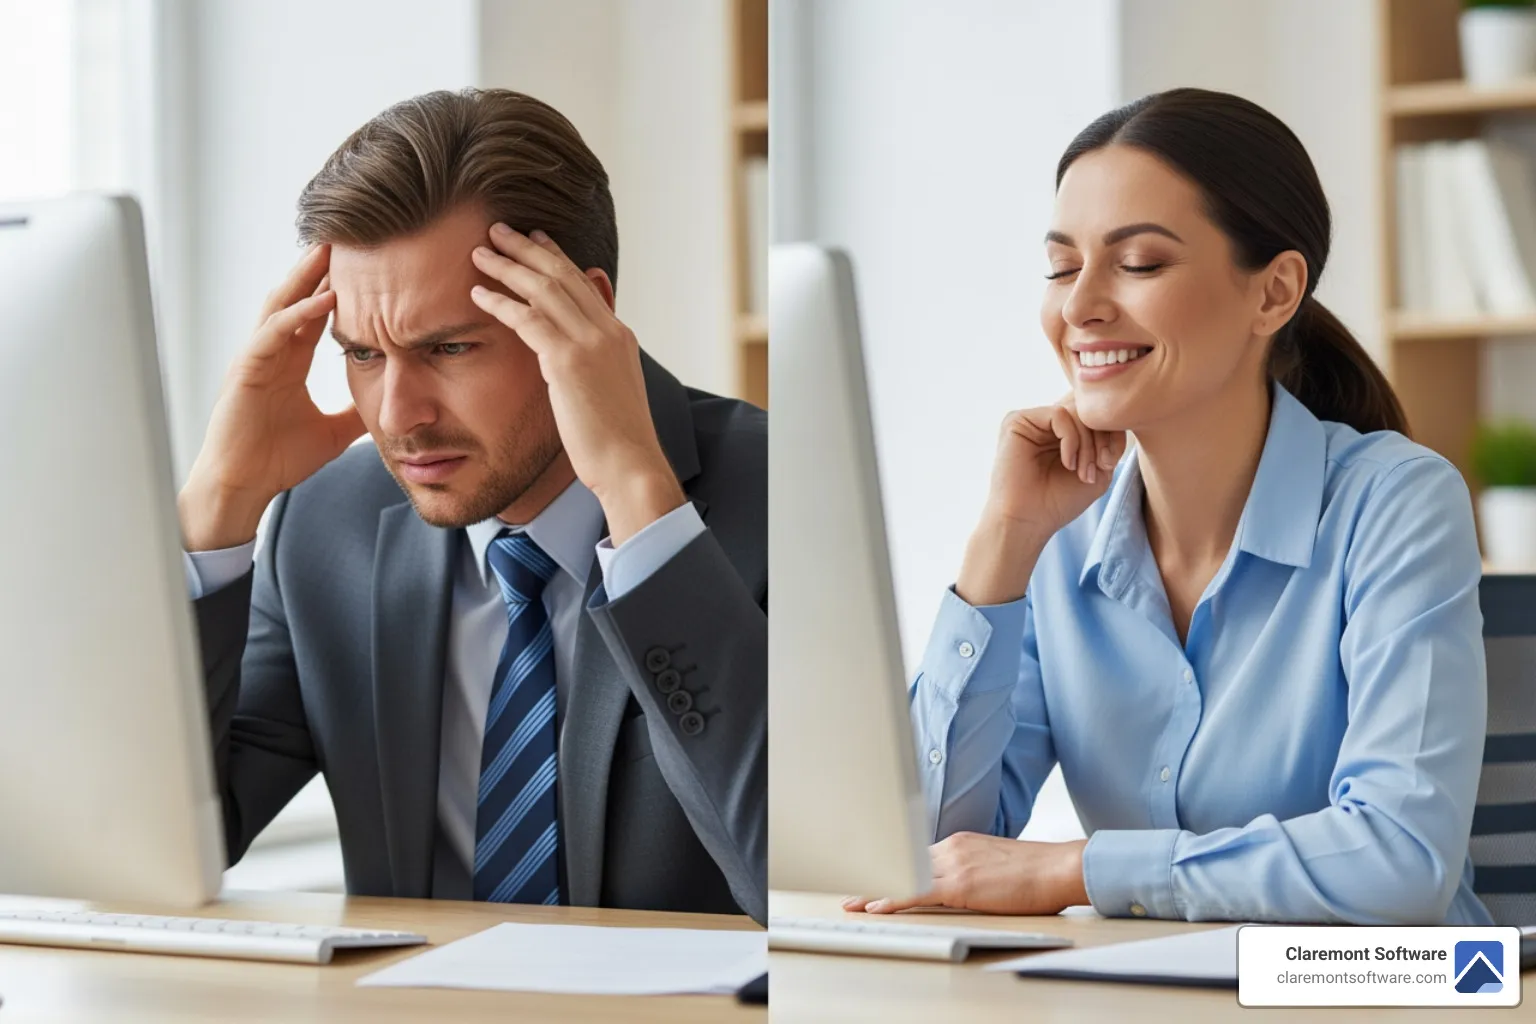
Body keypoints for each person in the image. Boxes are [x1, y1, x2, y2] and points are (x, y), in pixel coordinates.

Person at [844, 88, 1491, 925]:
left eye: (1139, 263)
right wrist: (1003, 544)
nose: (1080, 306)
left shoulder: (1396, 503)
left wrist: (1076, 870)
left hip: (1385, 992)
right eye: (1062, 266)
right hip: (1155, 993)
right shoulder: (1062, 535)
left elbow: (1398, 863)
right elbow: (921, 853)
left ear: (1274, 292)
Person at [179, 88, 765, 923]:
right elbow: (161, 849)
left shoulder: (782, 496)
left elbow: (797, 884)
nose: (397, 417)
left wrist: (641, 499)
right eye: (362, 355)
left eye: (448, 348)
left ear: (582, 313)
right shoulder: (325, 527)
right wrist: (219, 504)